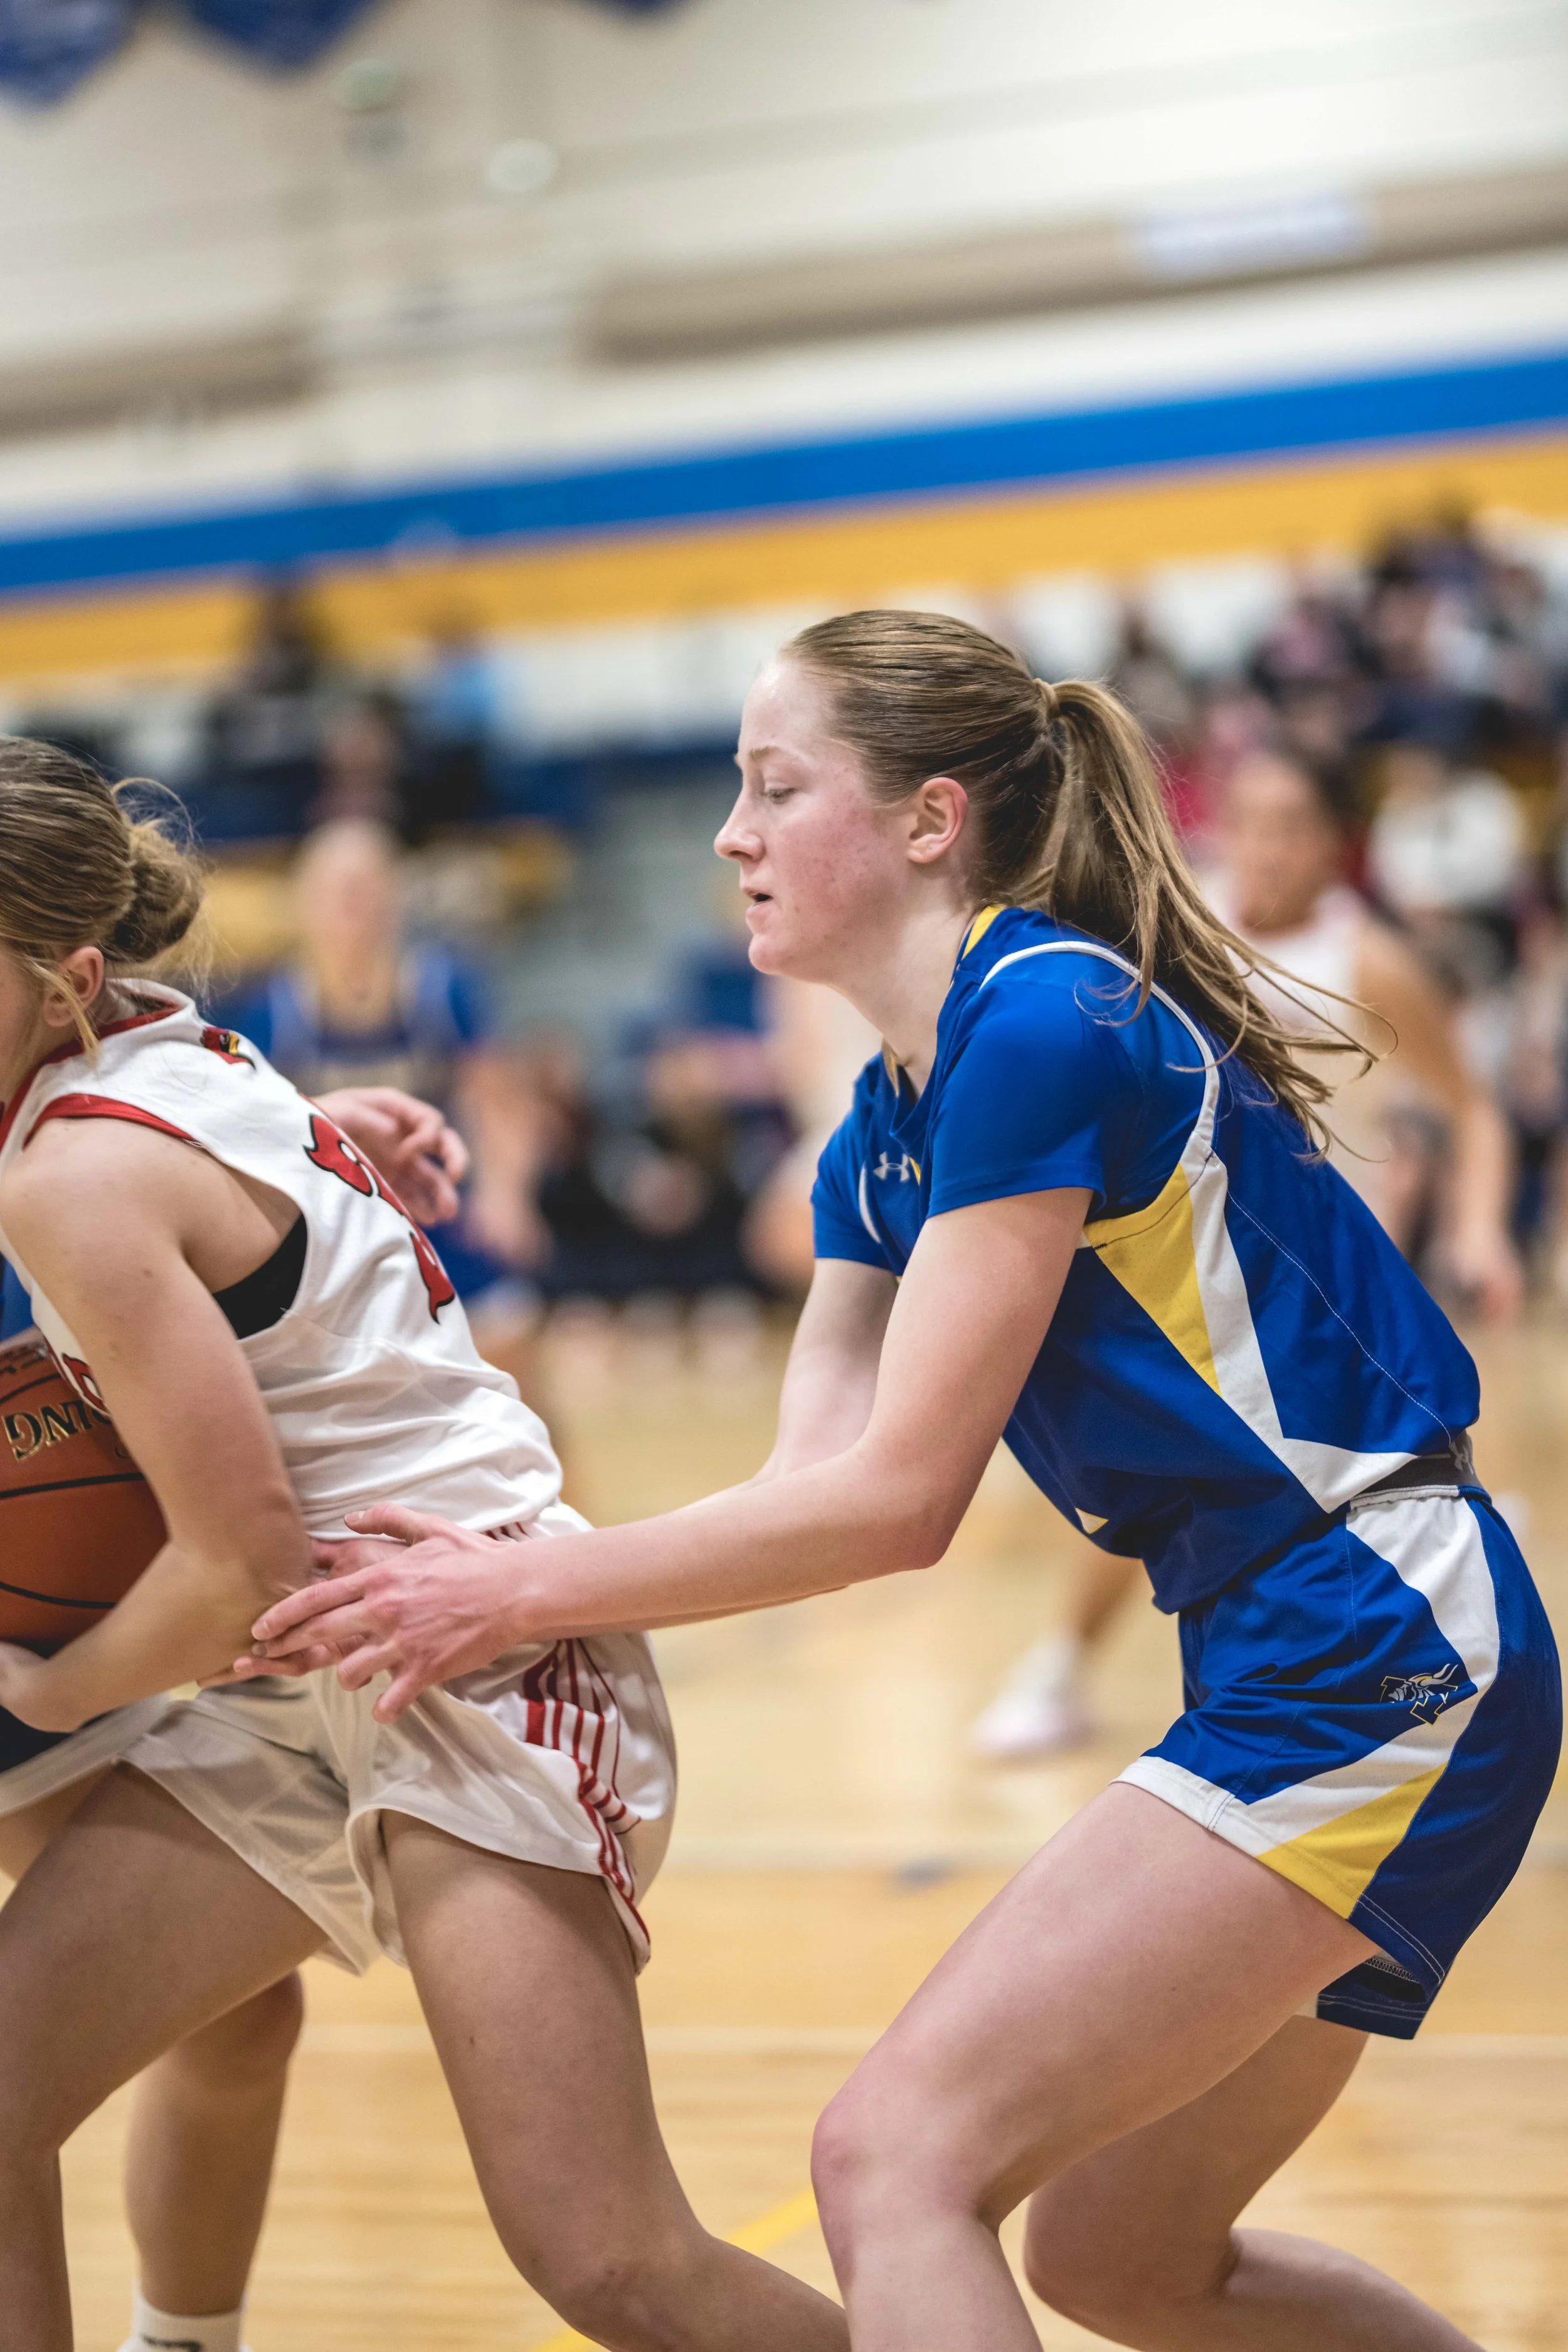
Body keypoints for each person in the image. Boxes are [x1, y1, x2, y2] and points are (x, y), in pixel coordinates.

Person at [259, 612, 1560, 2352]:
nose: (729, 833)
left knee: (892, 2159)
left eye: (773, 786)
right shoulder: (882, 1122)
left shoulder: (1045, 1014)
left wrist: (502, 1588)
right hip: (1319, 1645)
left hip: (1378, 1634)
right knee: (1126, 2256)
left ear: (930, 820)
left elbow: (899, 1499)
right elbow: (811, 1481)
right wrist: (509, 1559)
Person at [0, 745, 847, 2352]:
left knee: (609, 2257)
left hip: (472, 1652)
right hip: (311, 1677)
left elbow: (233, 1570)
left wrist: (53, 1688)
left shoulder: (72, 1177)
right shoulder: (185, 1051)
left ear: (67, 981)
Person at [0, 1020, 470, 2351]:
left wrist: (257, 1166)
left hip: (65, 1590)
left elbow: (87, 1146)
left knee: (231, 2023)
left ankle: (183, 2341)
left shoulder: (72, 1137)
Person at [972, 743, 1525, 1762]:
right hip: (1204, 1265)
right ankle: (1066, 1667)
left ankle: (1416, 1678)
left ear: (1335, 845)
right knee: (1170, 1473)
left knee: (1356, 1500)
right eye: (1249, 821)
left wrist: (1478, 1227)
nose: (1263, 848)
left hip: (1331, 1292)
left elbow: (1474, 1111)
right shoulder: (1181, 922)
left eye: (1290, 826)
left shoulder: (1371, 962)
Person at [225, 818, 549, 1377]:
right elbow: (256, 1141)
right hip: (339, 1226)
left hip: (440, 1206)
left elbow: (497, 1103)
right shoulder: (275, 1009)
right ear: (306, 903)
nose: (353, 905)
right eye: (337, 891)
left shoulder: (442, 987)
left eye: (367, 887)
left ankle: (545, 1463)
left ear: (396, 897)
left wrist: (507, 1192)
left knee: (513, 1359)